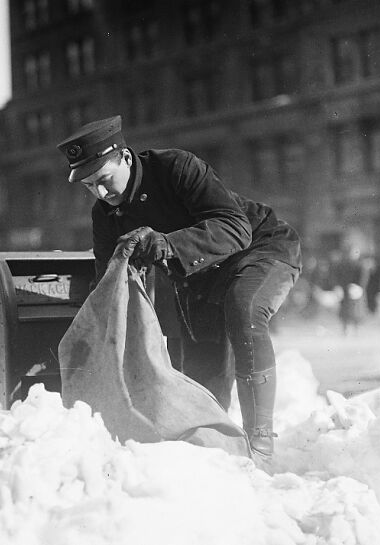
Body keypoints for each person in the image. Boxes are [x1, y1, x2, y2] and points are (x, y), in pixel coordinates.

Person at [57, 116, 301, 458]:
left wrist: (167, 244)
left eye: (104, 179)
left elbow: (235, 227)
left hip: (261, 247)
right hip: (199, 279)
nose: (100, 192)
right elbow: (107, 286)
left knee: (243, 308)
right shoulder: (104, 216)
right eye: (88, 186)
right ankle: (220, 453)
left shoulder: (176, 167)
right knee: (202, 381)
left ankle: (261, 443)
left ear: (125, 158)